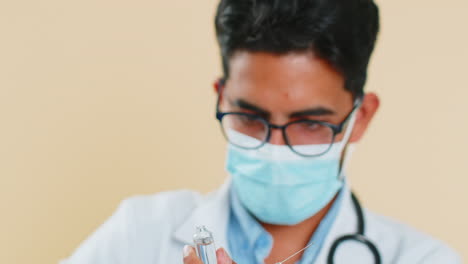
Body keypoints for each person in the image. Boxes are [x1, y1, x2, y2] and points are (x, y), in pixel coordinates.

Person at [61, 0, 461, 263]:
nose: (273, 147)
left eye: (309, 123)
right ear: (221, 98)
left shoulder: (423, 258)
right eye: (251, 117)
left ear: (361, 117)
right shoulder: (141, 231)